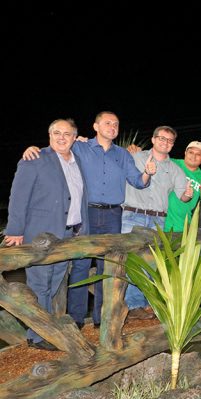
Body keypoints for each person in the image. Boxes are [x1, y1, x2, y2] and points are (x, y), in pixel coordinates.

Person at [22, 111, 155, 329]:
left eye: (116, 124)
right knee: (81, 265)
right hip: (86, 212)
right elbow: (56, 149)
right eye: (107, 123)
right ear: (95, 126)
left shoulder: (122, 155)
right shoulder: (80, 146)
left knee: (107, 266)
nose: (112, 126)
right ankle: (76, 317)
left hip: (113, 215)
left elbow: (138, 182)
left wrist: (148, 173)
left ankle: (101, 318)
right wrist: (32, 149)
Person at [6, 119, 90, 349]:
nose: (61, 137)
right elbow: (18, 197)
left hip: (67, 235)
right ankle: (37, 336)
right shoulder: (34, 159)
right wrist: (15, 230)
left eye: (67, 134)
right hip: (40, 235)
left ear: (74, 137)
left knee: (54, 282)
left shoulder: (77, 161)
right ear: (49, 134)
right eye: (56, 132)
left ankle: (45, 327)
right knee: (39, 285)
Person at [122, 126, 192, 318]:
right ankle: (132, 304)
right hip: (132, 215)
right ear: (153, 139)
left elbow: (182, 196)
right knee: (130, 261)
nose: (165, 143)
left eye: (169, 141)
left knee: (152, 263)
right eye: (161, 138)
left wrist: (187, 195)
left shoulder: (176, 170)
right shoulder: (135, 158)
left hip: (157, 218)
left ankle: (146, 302)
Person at [164, 141, 201, 233]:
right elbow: (155, 157)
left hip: (183, 224)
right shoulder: (172, 163)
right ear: (185, 153)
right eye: (191, 152)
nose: (193, 156)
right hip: (161, 219)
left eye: (198, 154)